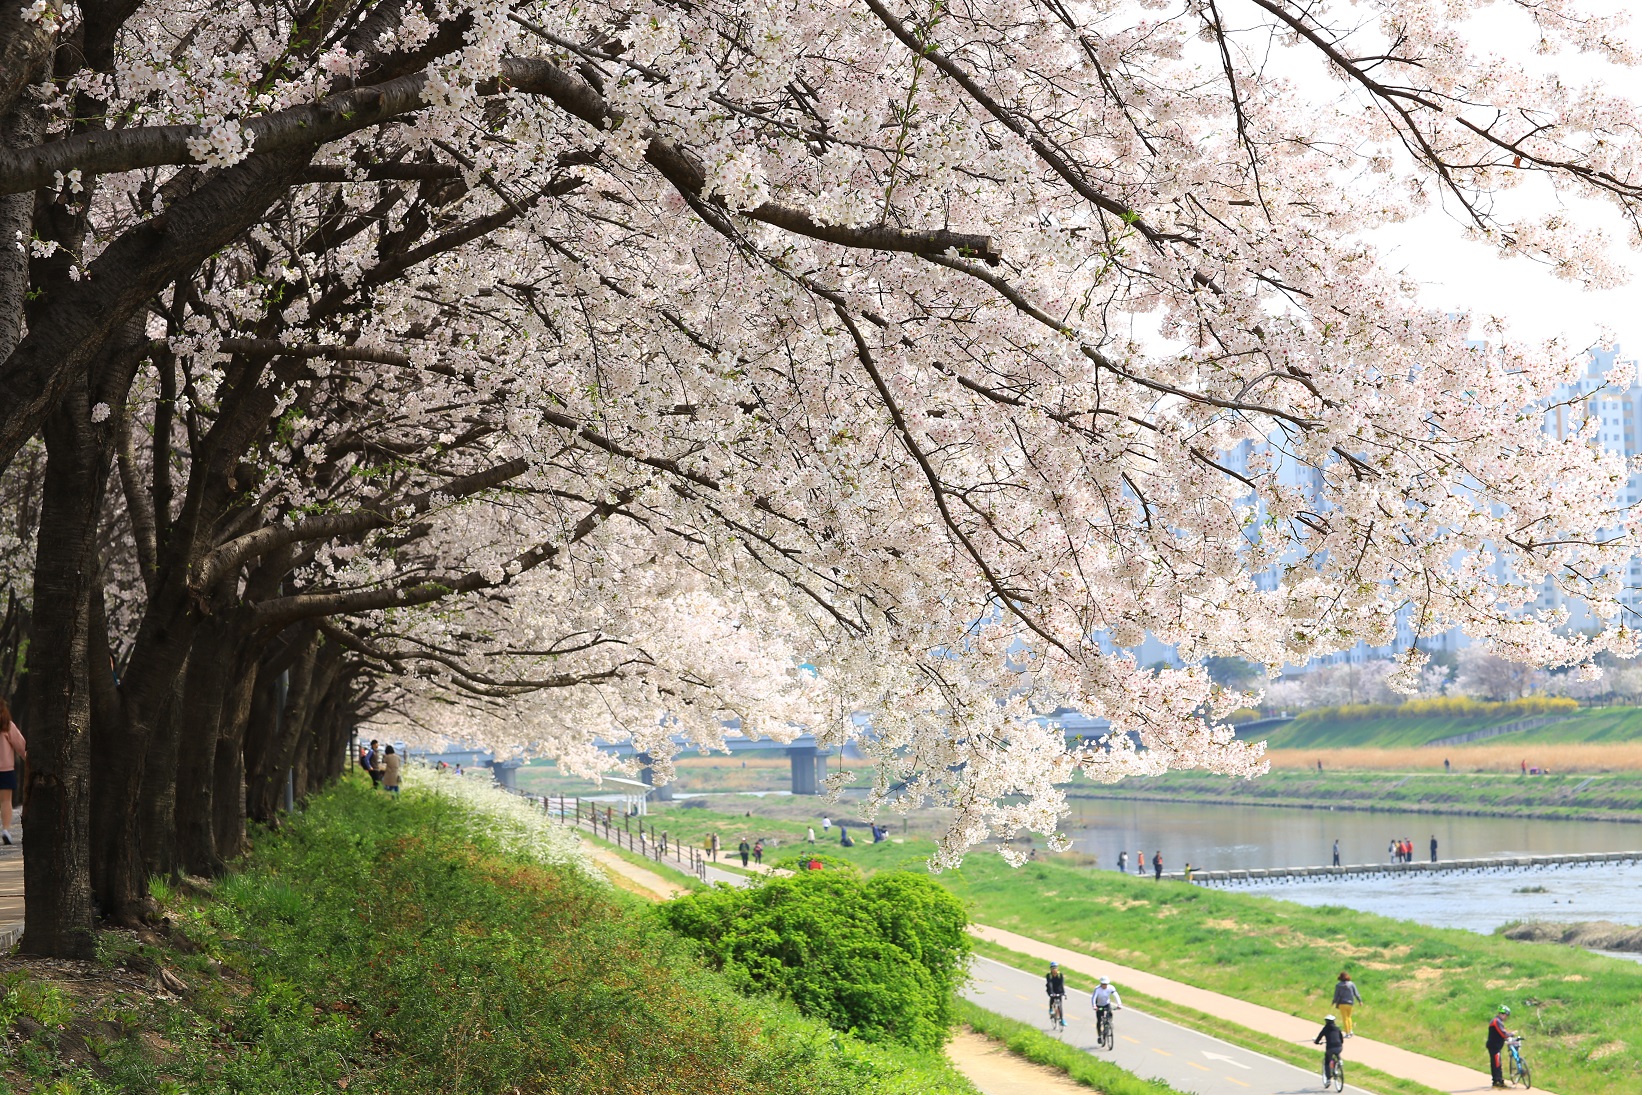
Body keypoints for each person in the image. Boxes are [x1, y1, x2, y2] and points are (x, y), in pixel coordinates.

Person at [0, 700, 25, 845]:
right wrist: (28, 759)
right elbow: (20, 745)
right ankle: (6, 830)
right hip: (5, 769)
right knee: (5, 801)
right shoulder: (7, 726)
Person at [1487, 1006, 1513, 1088]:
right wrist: (1511, 1034)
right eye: (1506, 1015)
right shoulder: (1496, 1021)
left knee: (1495, 1063)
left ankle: (1496, 1080)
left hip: (1495, 1045)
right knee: (1497, 1063)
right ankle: (1498, 1081)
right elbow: (1503, 1033)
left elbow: (1502, 1032)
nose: (1506, 1017)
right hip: (1494, 1046)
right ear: (1502, 1014)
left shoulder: (1498, 1021)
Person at [1315, 1014, 1344, 1081]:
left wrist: (1316, 1042)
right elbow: (1341, 1039)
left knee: (1327, 1062)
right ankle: (1339, 1060)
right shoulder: (1337, 1028)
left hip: (1330, 1048)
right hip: (1339, 1047)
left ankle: (1328, 1079)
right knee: (1337, 1052)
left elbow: (1319, 1037)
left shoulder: (1325, 1029)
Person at [1333, 971, 1362, 1036]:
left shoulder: (1338, 985)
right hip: (1350, 1003)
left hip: (1342, 1004)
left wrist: (1333, 1002)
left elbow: (1336, 995)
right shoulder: (1351, 984)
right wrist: (1360, 1001)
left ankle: (1347, 1032)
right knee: (1349, 1017)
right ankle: (1351, 1030)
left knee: (1344, 1018)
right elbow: (1356, 993)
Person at [1044, 961, 1066, 1027]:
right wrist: (1051, 992)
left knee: (1060, 1006)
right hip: (1051, 989)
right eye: (1053, 968)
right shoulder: (1049, 975)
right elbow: (1050, 984)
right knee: (1052, 998)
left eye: (1055, 968)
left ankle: (1062, 1019)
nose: (1054, 969)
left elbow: (1062, 984)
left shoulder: (1060, 975)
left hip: (1058, 990)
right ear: (1050, 969)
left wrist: (1063, 993)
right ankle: (1051, 1009)